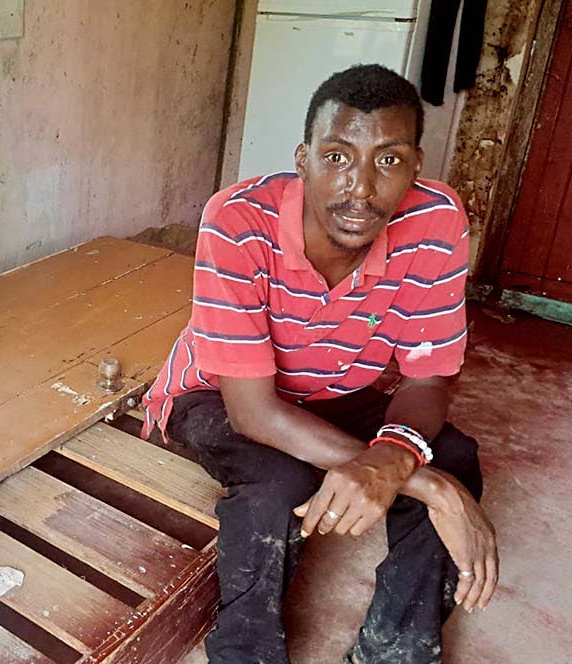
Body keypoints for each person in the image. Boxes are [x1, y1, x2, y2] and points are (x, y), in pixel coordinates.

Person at [141, 64, 498, 664]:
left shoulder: (437, 220)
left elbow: (428, 375)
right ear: (302, 159)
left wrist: (393, 460)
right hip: (219, 395)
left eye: (387, 160)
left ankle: (395, 649)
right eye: (337, 156)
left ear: (415, 165)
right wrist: (427, 485)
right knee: (283, 480)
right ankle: (244, 651)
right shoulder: (237, 221)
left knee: (456, 457)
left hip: (339, 392)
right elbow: (252, 412)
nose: (360, 188)